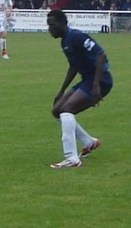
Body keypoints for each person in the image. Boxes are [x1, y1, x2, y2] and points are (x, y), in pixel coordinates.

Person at [47, 9, 113, 169]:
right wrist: (61, 91)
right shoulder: (65, 42)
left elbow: (101, 55)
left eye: (52, 25)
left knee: (67, 109)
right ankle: (89, 142)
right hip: (87, 80)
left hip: (100, 79)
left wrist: (96, 85)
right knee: (57, 110)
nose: (49, 29)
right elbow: (74, 66)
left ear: (62, 23)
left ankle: (71, 158)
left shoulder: (76, 36)